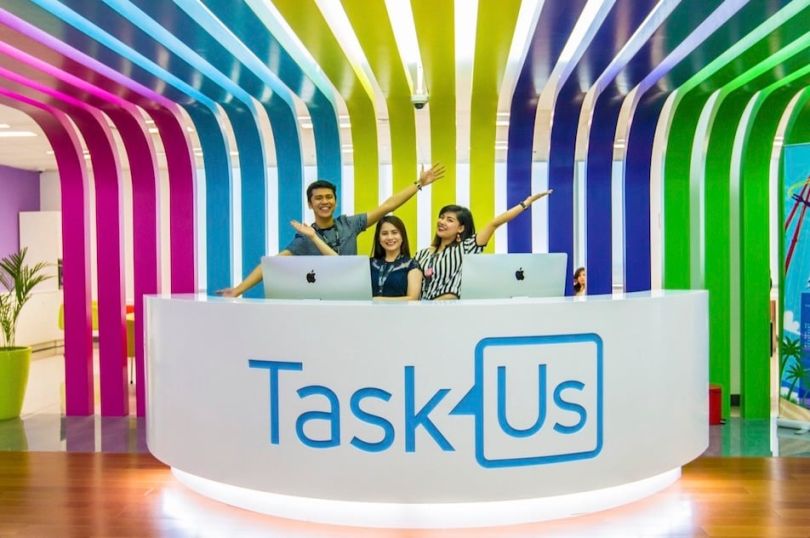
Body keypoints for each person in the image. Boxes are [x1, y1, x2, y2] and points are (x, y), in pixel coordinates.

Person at [216, 164, 445, 297]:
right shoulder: (305, 237)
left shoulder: (349, 224)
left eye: (329, 197)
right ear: (310, 204)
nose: (324, 202)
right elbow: (272, 264)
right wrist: (239, 289)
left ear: (335, 201)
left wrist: (419, 184)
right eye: (318, 198)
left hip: (356, 296)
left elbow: (388, 206)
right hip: (324, 299)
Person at [414, 190, 553, 300]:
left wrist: (526, 203)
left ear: (460, 228)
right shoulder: (422, 254)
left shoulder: (466, 247)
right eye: (441, 217)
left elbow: (494, 224)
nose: (442, 222)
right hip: (421, 312)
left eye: (449, 220)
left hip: (450, 310)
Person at [289, 215, 422, 301]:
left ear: (402, 236)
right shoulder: (369, 264)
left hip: (400, 322)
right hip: (368, 320)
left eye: (394, 233)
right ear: (378, 238)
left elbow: (413, 298)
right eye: (384, 233)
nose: (390, 237)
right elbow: (340, 263)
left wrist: (378, 300)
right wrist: (313, 237)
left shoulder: (412, 265)